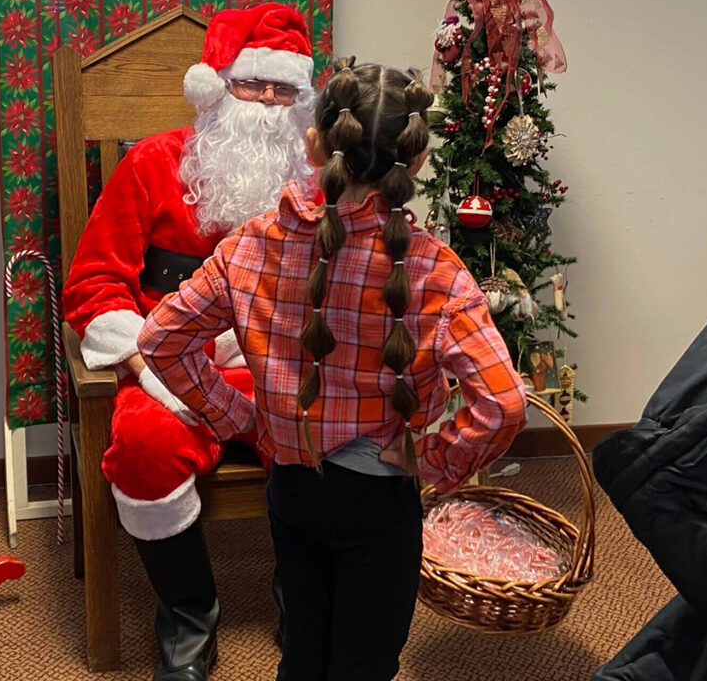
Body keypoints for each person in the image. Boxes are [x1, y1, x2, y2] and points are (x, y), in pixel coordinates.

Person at [137, 58, 528, 681]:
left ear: (313, 143)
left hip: (293, 490)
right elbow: (503, 403)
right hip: (381, 499)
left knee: (302, 651)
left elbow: (161, 341)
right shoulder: (437, 271)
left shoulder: (250, 244)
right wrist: (436, 462)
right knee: (363, 663)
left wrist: (242, 417)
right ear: (417, 161)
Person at [62, 3, 317, 681]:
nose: (266, 101)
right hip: (169, 371)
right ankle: (188, 613)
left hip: (276, 372)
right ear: (217, 86)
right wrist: (146, 363)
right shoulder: (150, 165)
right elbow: (91, 285)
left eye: (282, 88)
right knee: (144, 447)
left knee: (335, 437)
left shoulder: (316, 182)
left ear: (302, 99)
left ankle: (304, 599)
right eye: (252, 83)